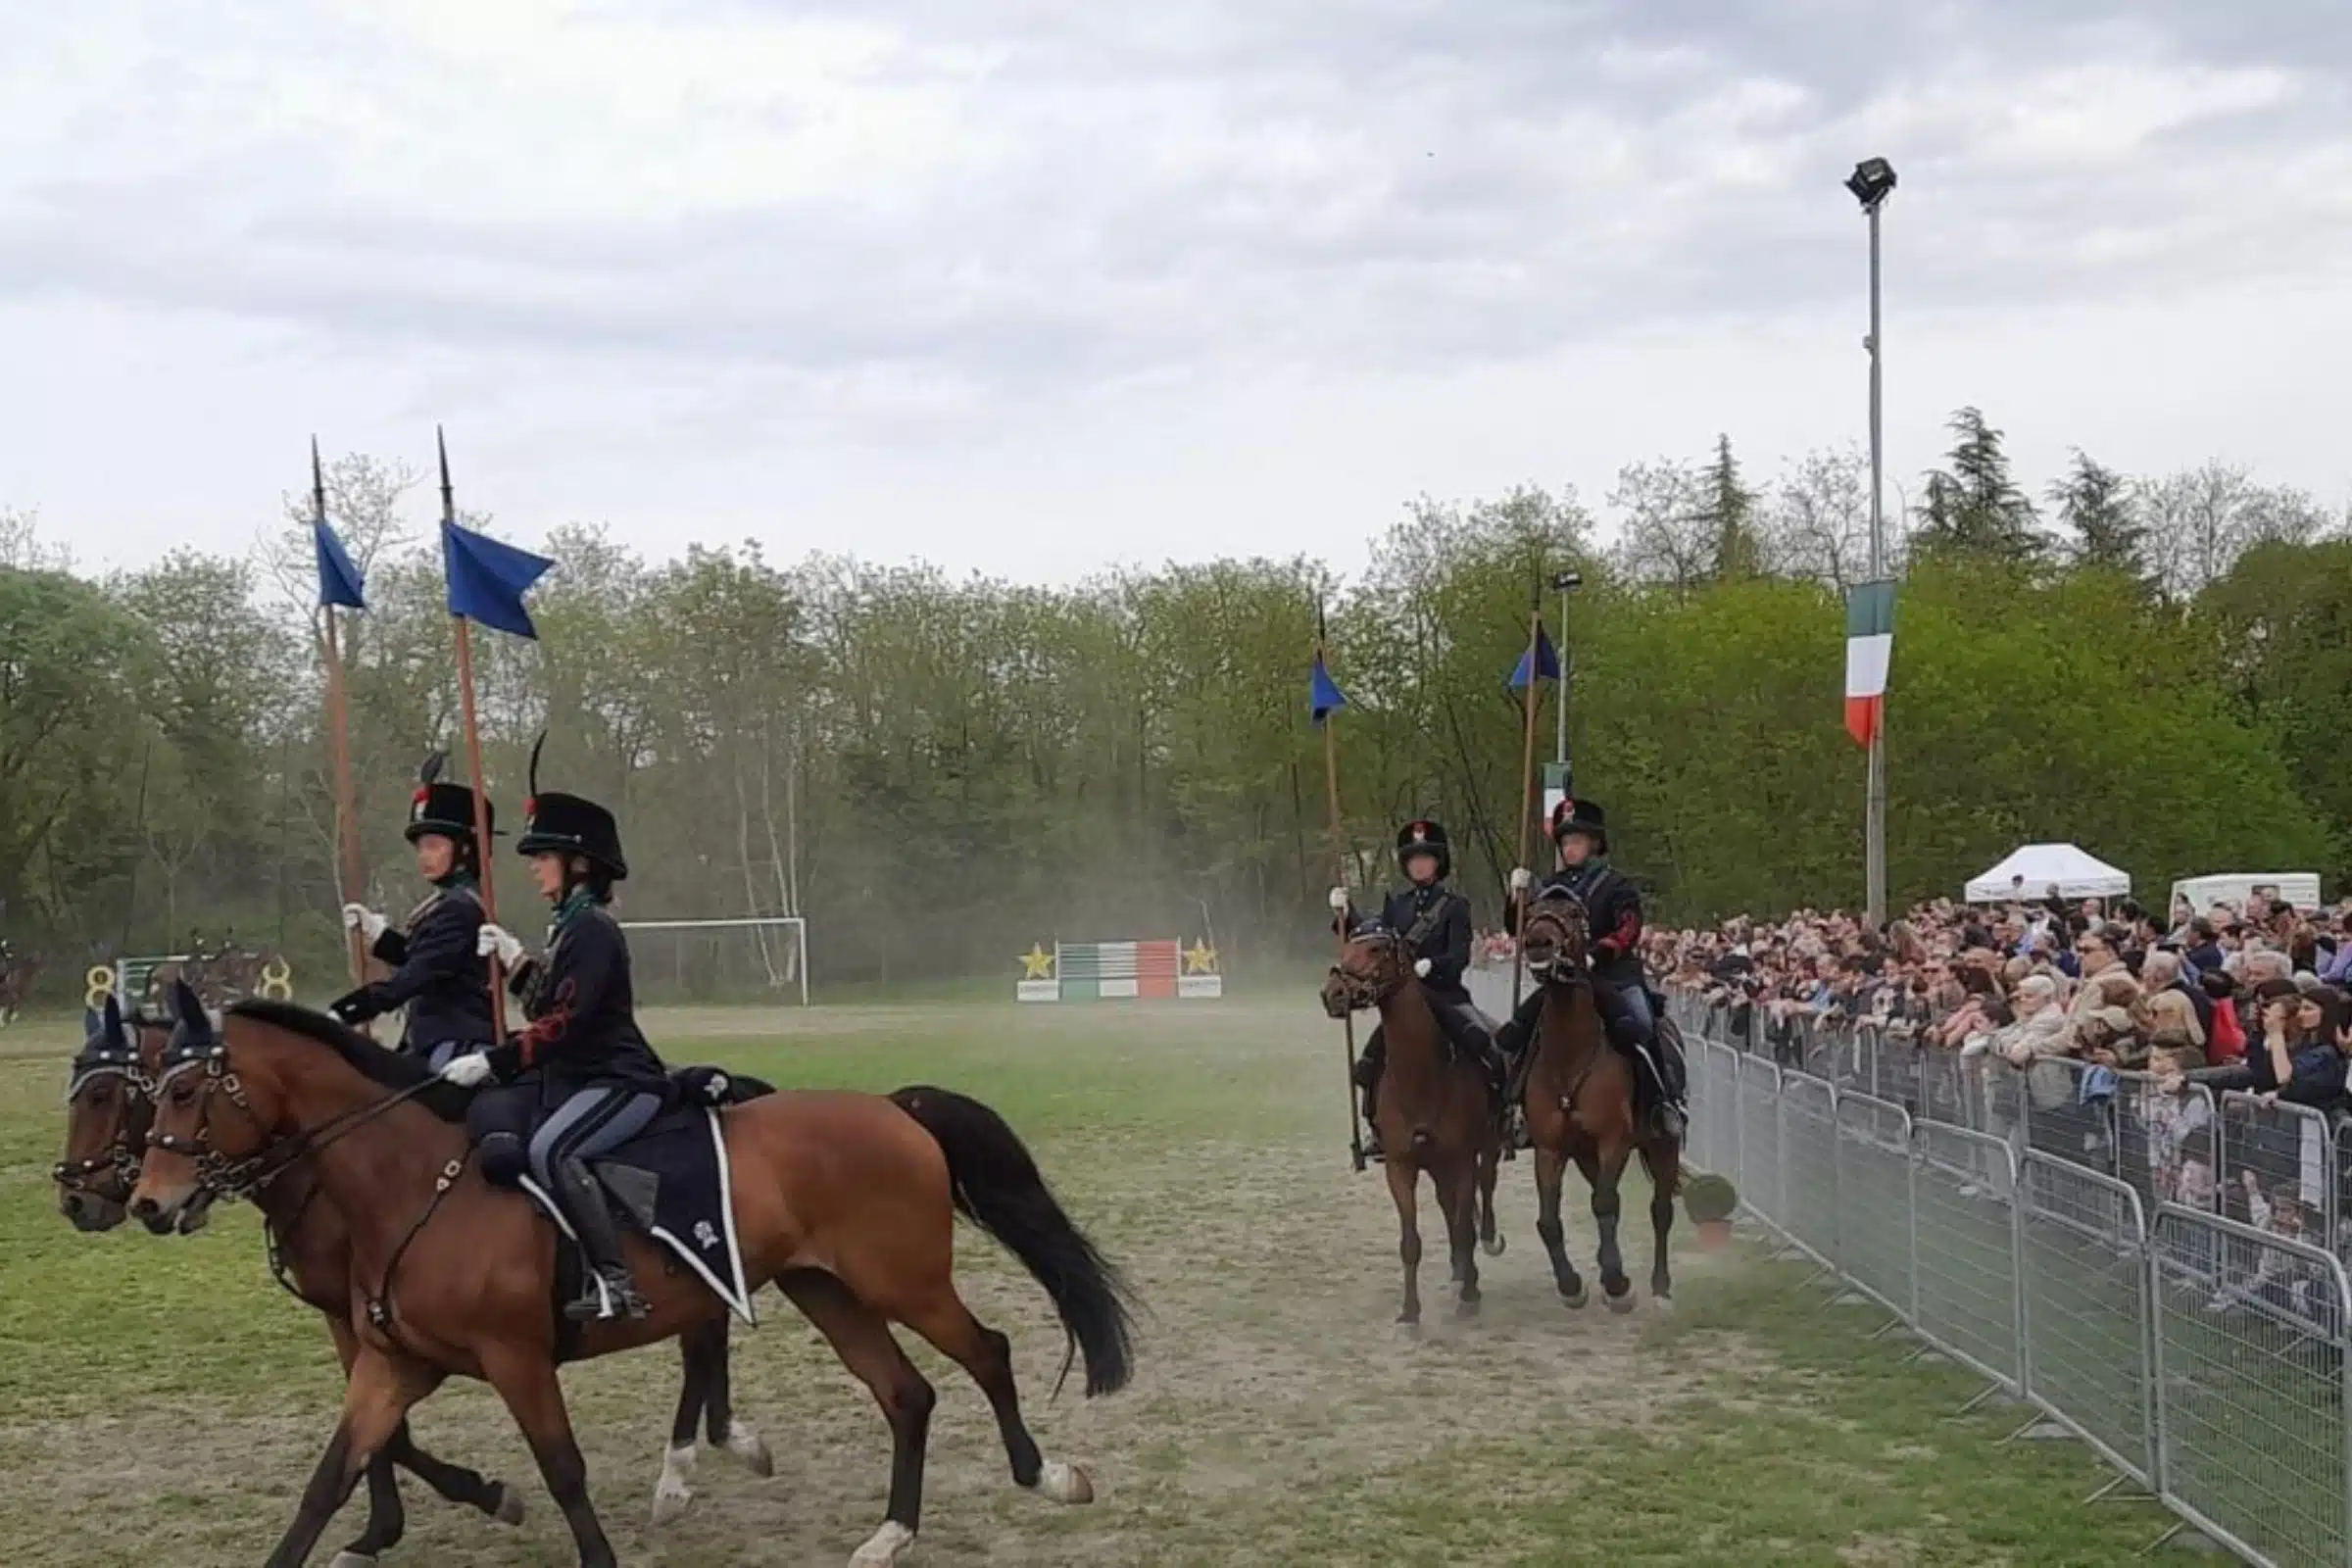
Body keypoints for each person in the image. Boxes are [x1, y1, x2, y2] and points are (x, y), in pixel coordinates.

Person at [443, 761, 670, 1322]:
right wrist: (515, 959)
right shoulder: (571, 926)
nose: (533, 870)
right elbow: (547, 1001)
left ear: (579, 865)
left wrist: (491, 1062)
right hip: (584, 1076)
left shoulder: (592, 928)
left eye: (542, 858)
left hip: (620, 1079)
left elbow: (564, 1022)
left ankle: (617, 1282)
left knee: (554, 1149)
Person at [1495, 798, 1687, 1140]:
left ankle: (1662, 1102)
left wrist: (1599, 953)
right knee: (1517, 1032)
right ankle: (1514, 1108)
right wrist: (1516, 896)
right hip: (1566, 980)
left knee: (1641, 1024)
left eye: (1578, 840)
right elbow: (1522, 928)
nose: (1571, 848)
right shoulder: (1551, 889)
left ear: (1595, 843)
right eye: (1566, 841)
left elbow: (1629, 927)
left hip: (1613, 976)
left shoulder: (1616, 885)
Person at [1331, 819, 1496, 1159]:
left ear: (1438, 863)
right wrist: (1346, 914)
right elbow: (1370, 937)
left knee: (1485, 1044)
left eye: (1426, 858)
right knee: (1368, 1065)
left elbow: (1460, 954)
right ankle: (1376, 1129)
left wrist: (1433, 966)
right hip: (1403, 1004)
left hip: (1445, 995)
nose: (1419, 864)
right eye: (1413, 859)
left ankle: (1502, 1117)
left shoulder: (1454, 906)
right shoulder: (1398, 905)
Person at [327, 755, 494, 1068]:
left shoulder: (459, 909)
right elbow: (419, 958)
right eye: (420, 847)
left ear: (465, 848)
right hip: (427, 1036)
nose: (423, 856)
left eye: (433, 845)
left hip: (456, 1039)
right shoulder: (445, 903)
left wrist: (346, 1011)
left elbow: (415, 976)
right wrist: (379, 936)